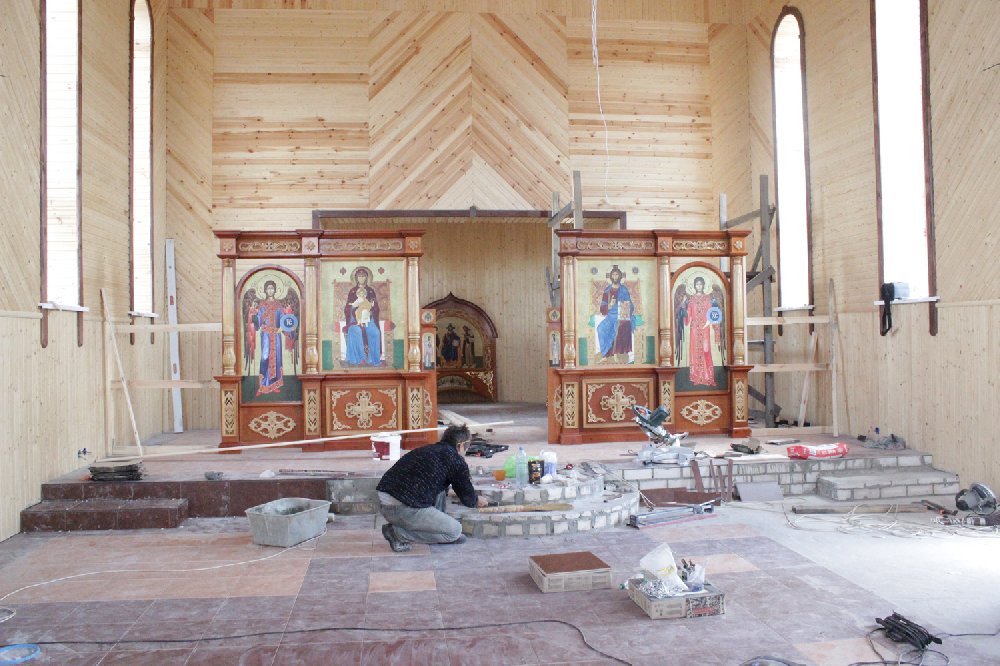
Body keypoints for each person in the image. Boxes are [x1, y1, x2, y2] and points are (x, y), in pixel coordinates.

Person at [376, 424, 488, 552]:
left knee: (441, 490)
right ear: (461, 445)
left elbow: (430, 482)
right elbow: (468, 498)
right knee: (455, 531)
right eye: (467, 447)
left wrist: (453, 492)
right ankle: (397, 534)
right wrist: (476, 500)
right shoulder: (456, 460)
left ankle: (437, 528)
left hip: (385, 503)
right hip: (401, 509)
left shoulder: (428, 449)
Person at [684, 276, 721, 387]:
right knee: (695, 352)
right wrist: (683, 309)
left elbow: (712, 313)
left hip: (705, 328)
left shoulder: (708, 298)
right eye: (697, 284)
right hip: (694, 329)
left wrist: (713, 327)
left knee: (706, 350)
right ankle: (697, 377)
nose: (699, 286)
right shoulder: (691, 300)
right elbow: (687, 318)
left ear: (703, 285)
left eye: (700, 284)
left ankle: (709, 378)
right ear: (694, 286)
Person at [253, 280, 285, 395]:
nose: (270, 290)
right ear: (265, 290)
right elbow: (258, 320)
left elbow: (283, 318)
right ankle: (262, 386)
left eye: (272, 288)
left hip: (276, 335)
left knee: (276, 358)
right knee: (265, 357)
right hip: (266, 335)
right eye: (268, 288)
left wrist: (283, 326)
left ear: (275, 290)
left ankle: (274, 385)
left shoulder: (278, 305)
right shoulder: (262, 305)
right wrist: (254, 316)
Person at [344, 267, 381, 367]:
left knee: (375, 333)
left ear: (367, 278)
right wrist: (354, 307)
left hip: (369, 319)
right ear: (356, 278)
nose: (361, 278)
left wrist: (371, 309)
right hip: (355, 319)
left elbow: (376, 307)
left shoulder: (370, 291)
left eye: (363, 276)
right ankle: (359, 359)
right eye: (359, 276)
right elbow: (347, 308)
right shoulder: (352, 291)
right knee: (356, 331)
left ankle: (373, 359)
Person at [597, 265, 635, 362]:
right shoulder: (607, 290)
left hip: (621, 316)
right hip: (610, 317)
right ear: (610, 276)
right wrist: (609, 305)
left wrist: (624, 308)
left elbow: (630, 305)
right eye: (613, 275)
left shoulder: (624, 290)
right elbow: (602, 308)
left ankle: (615, 354)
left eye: (617, 274)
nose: (615, 277)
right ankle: (606, 354)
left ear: (620, 276)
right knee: (600, 328)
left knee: (618, 328)